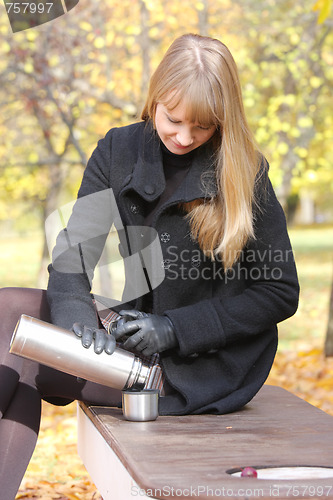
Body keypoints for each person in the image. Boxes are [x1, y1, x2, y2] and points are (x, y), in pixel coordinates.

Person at [0, 33, 299, 498]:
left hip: (199, 367)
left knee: (15, 360)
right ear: (156, 97)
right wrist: (81, 328)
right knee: (6, 315)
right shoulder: (118, 152)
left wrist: (175, 328)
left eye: (202, 127)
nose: (184, 137)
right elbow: (75, 253)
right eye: (174, 119)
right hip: (130, 340)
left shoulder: (245, 171)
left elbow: (280, 292)